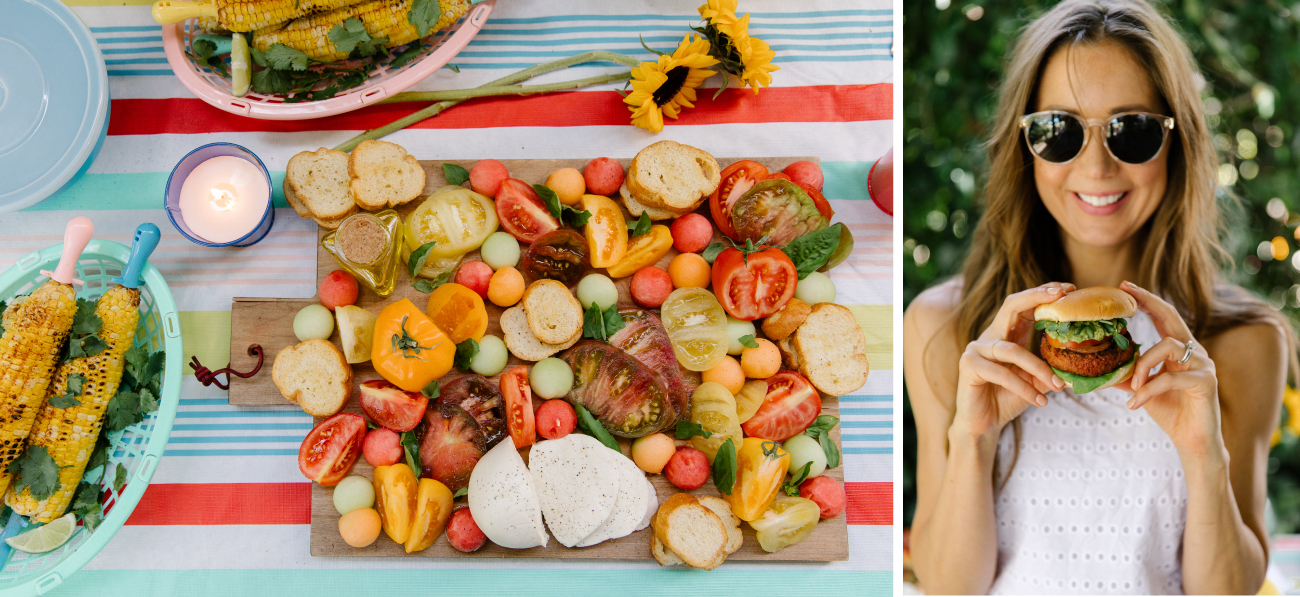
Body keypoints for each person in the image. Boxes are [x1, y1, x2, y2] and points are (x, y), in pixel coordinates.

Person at [903, 0, 1296, 593]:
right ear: (1025, 148)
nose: (1096, 166)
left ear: (1176, 142)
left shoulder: (1242, 341)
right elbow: (947, 586)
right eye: (1057, 131)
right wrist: (974, 440)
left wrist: (1202, 454)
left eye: (1131, 130)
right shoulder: (944, 327)